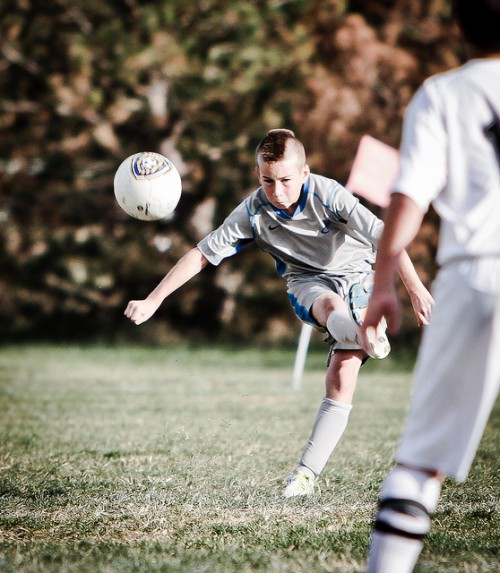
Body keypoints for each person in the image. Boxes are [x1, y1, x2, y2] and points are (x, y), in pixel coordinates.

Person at [124, 128, 433, 498]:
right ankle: (361, 334)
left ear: (304, 173)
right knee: (331, 312)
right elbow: (202, 254)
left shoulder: (328, 193)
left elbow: (385, 235)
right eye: (269, 181)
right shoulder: (253, 211)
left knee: (342, 373)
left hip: (357, 274)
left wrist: (415, 288)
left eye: (286, 180)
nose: (278, 191)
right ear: (259, 176)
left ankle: (307, 469)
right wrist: (154, 299)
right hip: (306, 283)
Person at [361, 0, 500, 570]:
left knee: (420, 462)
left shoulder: (443, 94)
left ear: (459, 24)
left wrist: (382, 285)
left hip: (478, 272)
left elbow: (408, 194)